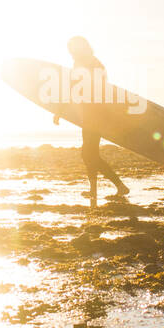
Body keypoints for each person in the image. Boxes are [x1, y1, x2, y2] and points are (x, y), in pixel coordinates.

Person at [55, 36, 129, 208]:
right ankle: (96, 190)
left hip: (94, 116)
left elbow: (73, 89)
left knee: (88, 155)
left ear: (79, 49)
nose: (70, 52)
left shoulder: (85, 64)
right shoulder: (94, 62)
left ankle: (120, 186)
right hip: (91, 115)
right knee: (90, 155)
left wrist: (59, 111)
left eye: (72, 49)